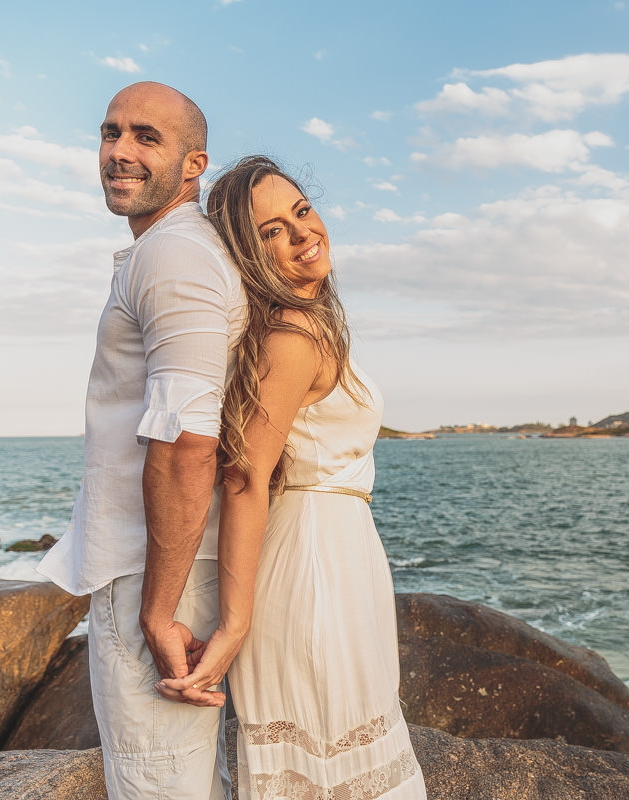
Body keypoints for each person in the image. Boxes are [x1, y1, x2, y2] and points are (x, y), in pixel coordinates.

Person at [157, 155, 426, 799]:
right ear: (249, 256)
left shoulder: (313, 324)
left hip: (339, 554)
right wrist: (234, 624)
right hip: (312, 570)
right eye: (270, 231)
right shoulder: (290, 337)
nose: (302, 233)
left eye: (301, 212)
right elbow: (244, 477)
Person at [38, 82, 244, 800]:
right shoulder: (176, 250)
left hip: (158, 567)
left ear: (195, 165)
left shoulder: (176, 255)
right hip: (177, 558)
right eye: (110, 132)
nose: (119, 151)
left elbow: (189, 437)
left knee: (158, 786)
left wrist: (157, 609)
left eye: (146, 137)